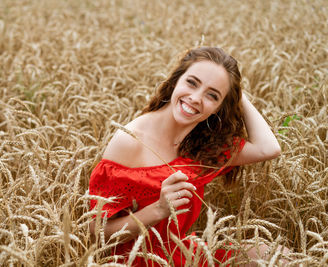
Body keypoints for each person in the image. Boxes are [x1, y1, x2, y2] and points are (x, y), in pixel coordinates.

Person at [89, 47, 283, 266]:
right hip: (137, 261)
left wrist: (234, 90)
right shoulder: (131, 140)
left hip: (177, 254)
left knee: (270, 253)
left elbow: (268, 148)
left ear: (219, 108)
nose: (196, 98)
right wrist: (158, 210)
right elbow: (96, 231)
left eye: (212, 95)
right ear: (175, 81)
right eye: (192, 82)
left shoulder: (203, 145)